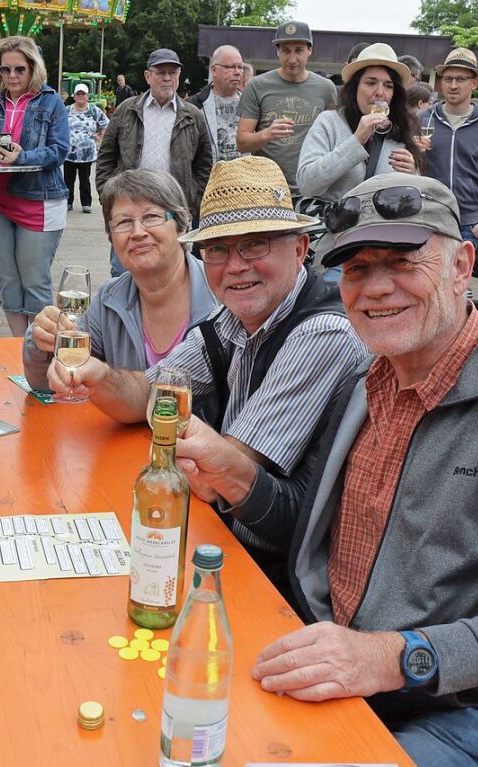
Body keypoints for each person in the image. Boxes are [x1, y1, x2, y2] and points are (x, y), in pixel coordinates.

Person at [250, 172, 478, 767]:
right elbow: (309, 525)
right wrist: (233, 480)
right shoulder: (364, 383)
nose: (375, 289)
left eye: (401, 261)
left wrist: (393, 658)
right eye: (355, 269)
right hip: (354, 677)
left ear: (461, 264)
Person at [50, 157, 366, 588]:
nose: (235, 265)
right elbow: (148, 392)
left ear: (299, 248)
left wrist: (190, 455)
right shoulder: (230, 322)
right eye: (218, 249)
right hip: (223, 540)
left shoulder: (322, 332)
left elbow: (220, 474)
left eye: (255, 244)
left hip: (275, 576)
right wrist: (96, 374)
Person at [23, 169, 218, 390]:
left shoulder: (221, 294)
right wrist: (42, 339)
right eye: (123, 222)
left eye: (151, 217)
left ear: (182, 225)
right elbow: (47, 384)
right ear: (111, 237)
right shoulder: (109, 301)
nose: (137, 232)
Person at [297, 43, 422, 279]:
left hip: (383, 250)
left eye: (388, 85)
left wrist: (412, 174)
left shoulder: (400, 132)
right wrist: (357, 140)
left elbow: (407, 201)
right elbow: (307, 182)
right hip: (335, 252)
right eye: (371, 83)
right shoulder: (329, 122)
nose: (379, 92)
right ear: (355, 86)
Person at [0, 35, 70, 338]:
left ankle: (40, 351)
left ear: (32, 69)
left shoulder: (51, 101)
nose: (12, 76)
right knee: (7, 279)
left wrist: (21, 156)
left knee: (34, 280)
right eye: (5, 70)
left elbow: (60, 149)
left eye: (19, 69)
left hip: (39, 200)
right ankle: (19, 346)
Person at [97, 49, 213, 255]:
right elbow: (106, 156)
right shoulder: (127, 110)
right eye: (161, 72)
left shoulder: (193, 115)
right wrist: (109, 196)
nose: (167, 78)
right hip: (129, 205)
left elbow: (204, 164)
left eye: (173, 72)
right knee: (124, 269)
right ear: (148, 76)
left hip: (174, 210)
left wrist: (193, 199)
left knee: (174, 270)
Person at [419, 47, 478, 275]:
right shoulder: (423, 119)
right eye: (448, 79)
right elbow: (405, 165)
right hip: (426, 217)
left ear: (474, 83)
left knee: (456, 288)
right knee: (425, 285)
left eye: (461, 79)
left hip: (466, 224)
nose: (453, 85)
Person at [236, 19, 338, 194]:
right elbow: (242, 143)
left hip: (313, 191)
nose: (292, 59)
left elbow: (335, 140)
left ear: (309, 50)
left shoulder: (326, 88)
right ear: (278, 52)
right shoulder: (257, 86)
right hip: (266, 189)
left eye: (299, 51)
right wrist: (267, 134)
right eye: (286, 51)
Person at [188, 45, 245, 164]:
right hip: (208, 179)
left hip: (244, 179)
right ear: (214, 70)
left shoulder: (252, 104)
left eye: (240, 67)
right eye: (230, 67)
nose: (237, 72)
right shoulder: (194, 106)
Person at [64, 83, 109, 214]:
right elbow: (57, 124)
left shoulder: (94, 110)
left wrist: (100, 135)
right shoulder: (66, 110)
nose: (81, 96)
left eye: (83, 94)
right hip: (69, 153)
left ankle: (86, 203)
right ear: (74, 96)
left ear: (87, 96)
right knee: (68, 180)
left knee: (85, 179)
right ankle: (68, 202)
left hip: (87, 153)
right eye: (78, 94)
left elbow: (106, 123)